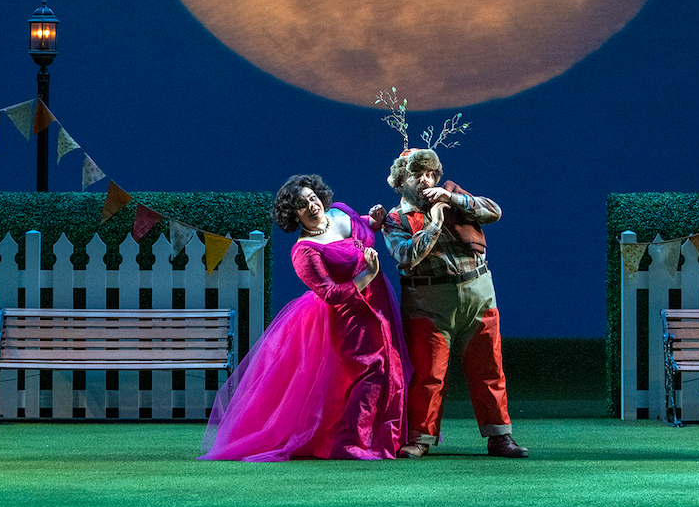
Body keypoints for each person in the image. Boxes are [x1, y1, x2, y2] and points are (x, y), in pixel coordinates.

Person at [199, 174, 408, 461]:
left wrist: (375, 219)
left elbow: (363, 229)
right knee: (373, 369)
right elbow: (332, 294)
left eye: (312, 198)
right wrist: (365, 276)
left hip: (378, 302)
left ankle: (383, 437)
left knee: (390, 365)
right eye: (301, 204)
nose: (311, 206)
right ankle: (349, 443)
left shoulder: (341, 212)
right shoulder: (305, 250)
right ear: (293, 214)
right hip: (347, 315)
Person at [382, 149, 528, 458]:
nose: (426, 180)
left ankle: (500, 436)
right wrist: (433, 224)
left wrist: (452, 201)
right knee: (429, 373)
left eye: (430, 174)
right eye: (417, 174)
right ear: (401, 180)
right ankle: (420, 437)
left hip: (477, 294)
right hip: (428, 303)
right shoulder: (395, 219)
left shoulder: (455, 200)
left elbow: (494, 212)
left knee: (489, 366)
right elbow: (406, 256)